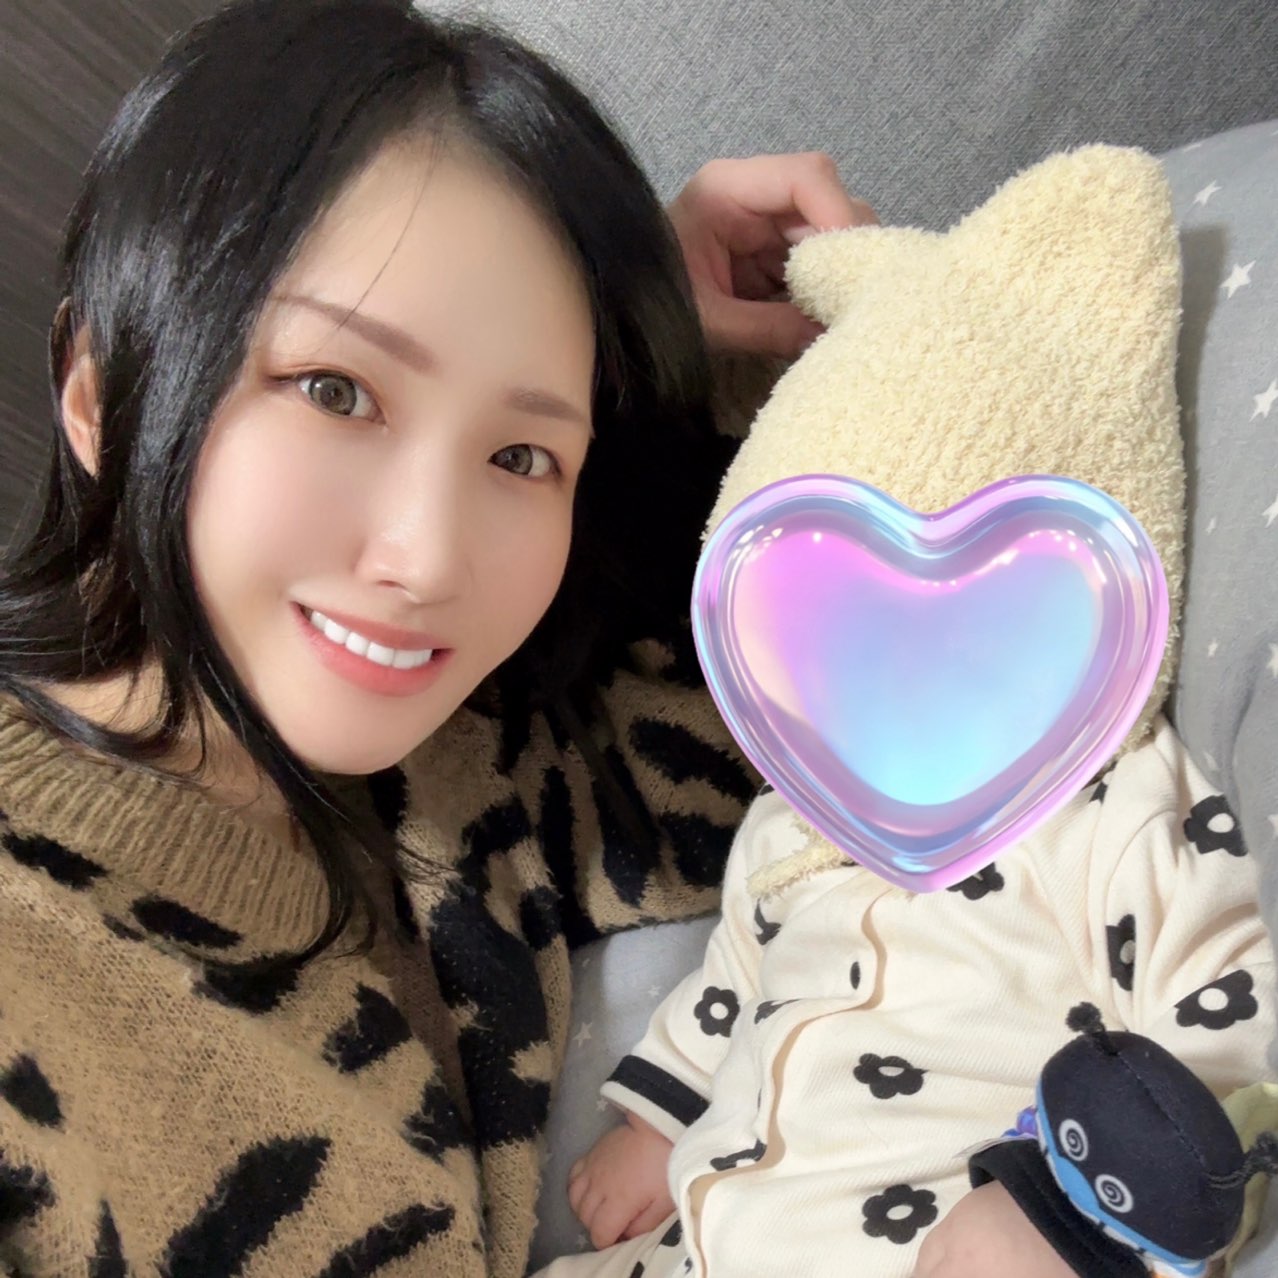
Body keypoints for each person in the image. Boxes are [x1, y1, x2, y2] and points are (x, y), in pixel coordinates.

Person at [0, 1, 876, 1274]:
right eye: (336, 391)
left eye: (521, 455)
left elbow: (848, 713)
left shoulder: (469, 763)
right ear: (100, 393)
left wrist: (681, 369)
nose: (427, 561)